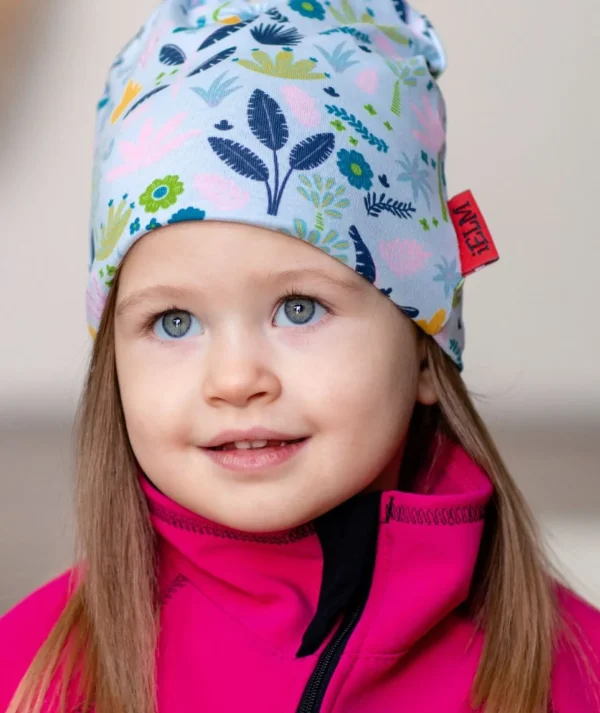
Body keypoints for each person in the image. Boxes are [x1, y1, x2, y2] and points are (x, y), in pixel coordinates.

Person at [1, 1, 599, 712]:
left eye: (299, 308)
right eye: (174, 320)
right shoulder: (31, 670)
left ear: (424, 346)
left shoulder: (572, 672)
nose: (235, 379)